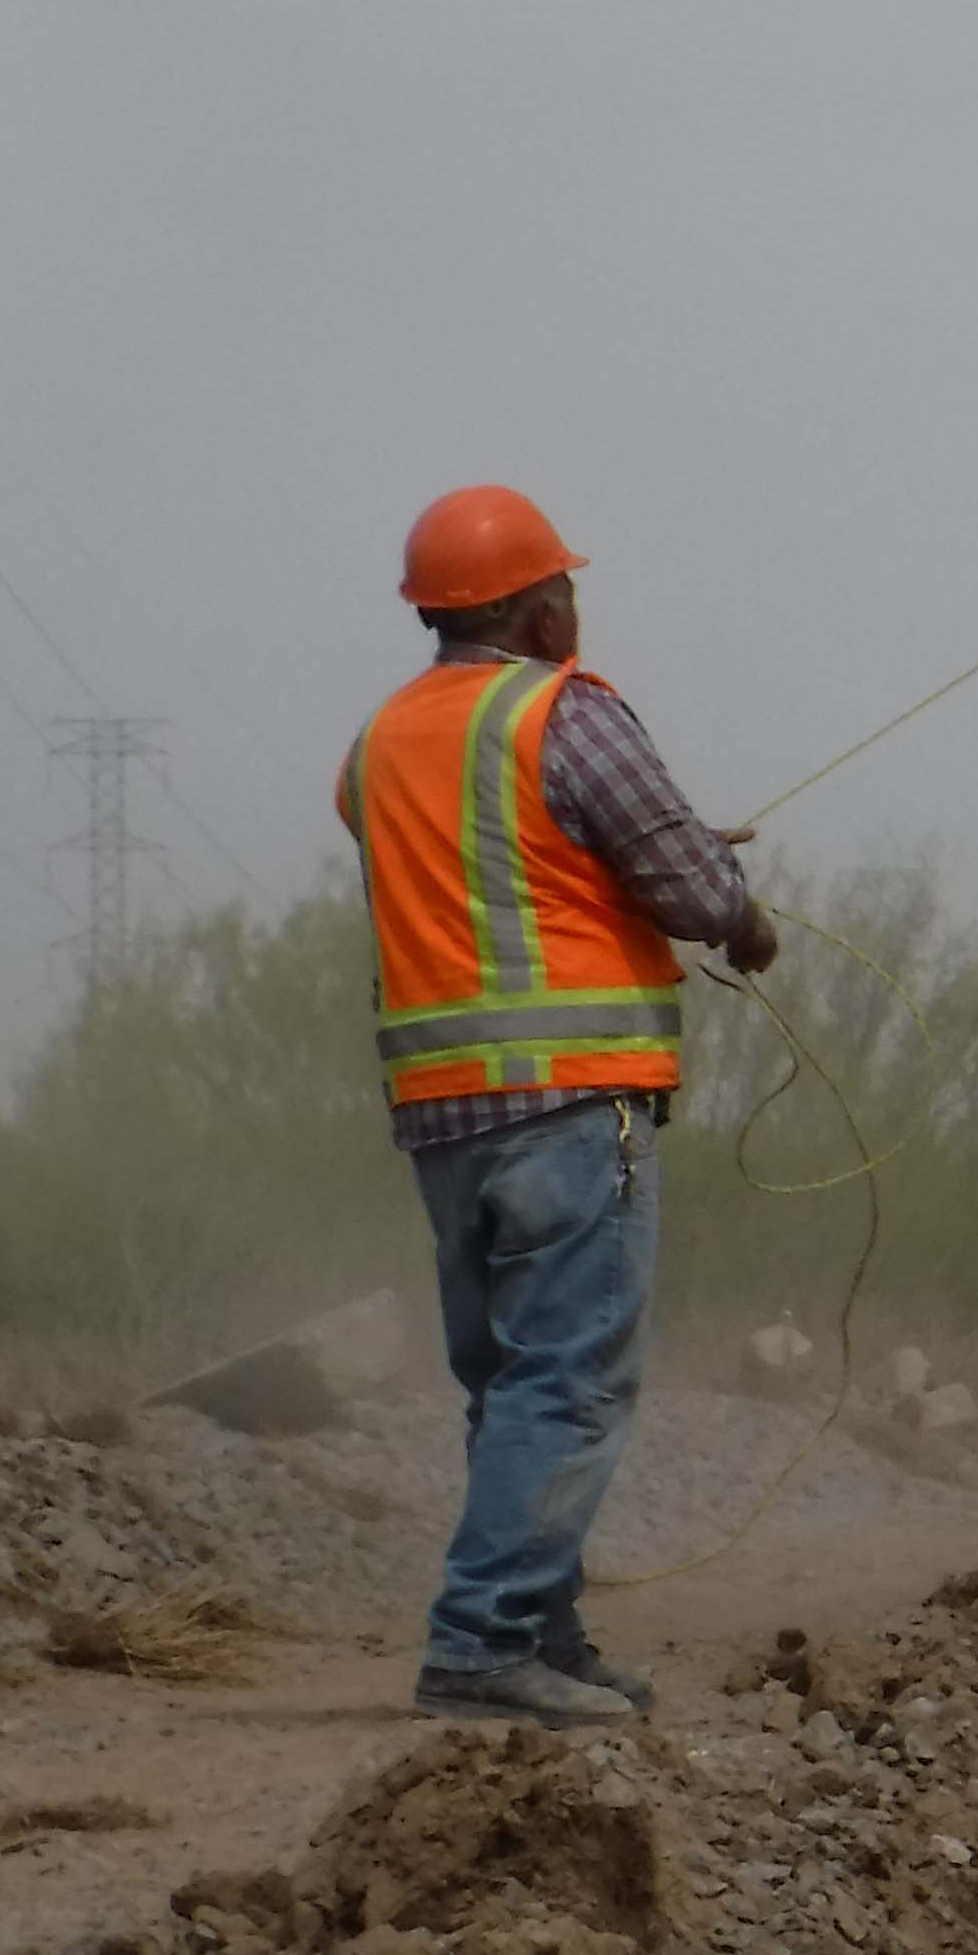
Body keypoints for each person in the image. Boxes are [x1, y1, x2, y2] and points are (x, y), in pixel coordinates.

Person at [336, 484, 777, 1731]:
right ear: (535, 610)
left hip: (442, 1116)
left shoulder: (377, 742)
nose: (576, 608)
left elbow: (506, 877)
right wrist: (744, 919)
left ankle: (542, 1633)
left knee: (509, 1383)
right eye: (565, 587)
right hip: (572, 1105)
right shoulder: (560, 714)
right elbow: (693, 892)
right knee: (567, 1385)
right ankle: (480, 1646)